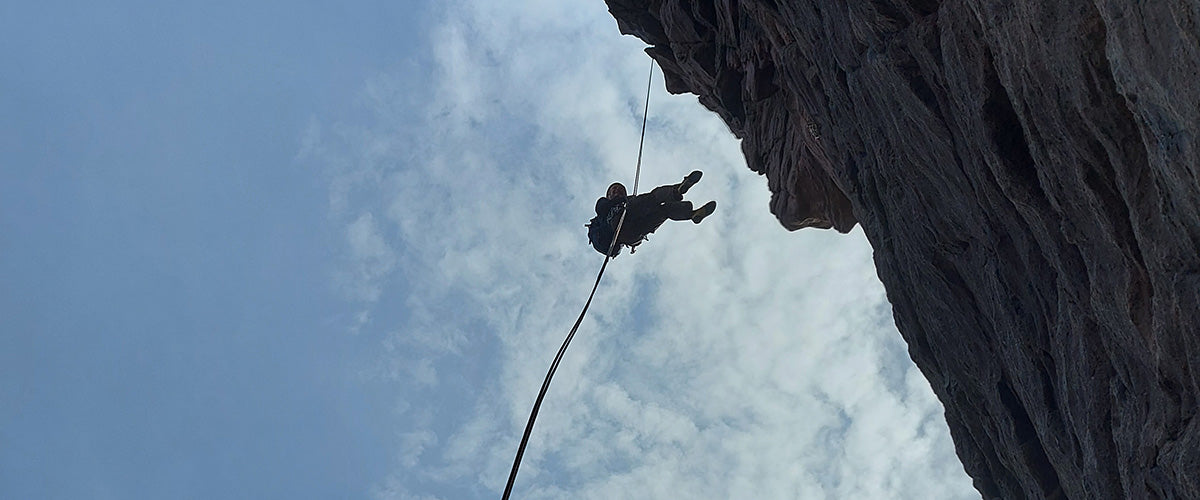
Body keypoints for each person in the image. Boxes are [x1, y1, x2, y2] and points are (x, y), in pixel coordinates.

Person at [588, 170, 717, 256]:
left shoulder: (626, 201)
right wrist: (623, 201)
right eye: (614, 189)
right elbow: (602, 208)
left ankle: (692, 214)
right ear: (608, 195)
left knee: (664, 211)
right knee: (653, 198)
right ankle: (676, 191)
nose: (617, 191)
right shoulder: (606, 204)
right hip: (619, 222)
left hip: (633, 233)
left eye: (620, 189)